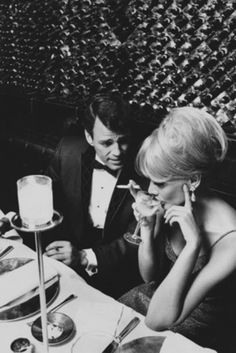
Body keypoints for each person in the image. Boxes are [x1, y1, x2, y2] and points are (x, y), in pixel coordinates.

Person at [119, 107, 236, 353]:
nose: (150, 189)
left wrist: (192, 247)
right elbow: (150, 278)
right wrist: (148, 229)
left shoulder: (230, 239)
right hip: (153, 300)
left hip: (191, 331)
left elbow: (158, 320)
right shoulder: (174, 203)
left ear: (192, 180)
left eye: (159, 182)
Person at [44, 92, 145, 298]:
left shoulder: (146, 166)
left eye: (123, 141)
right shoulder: (68, 151)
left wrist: (84, 257)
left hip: (122, 276)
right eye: (106, 143)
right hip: (68, 263)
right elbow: (48, 203)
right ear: (89, 137)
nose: (117, 152)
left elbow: (139, 237)